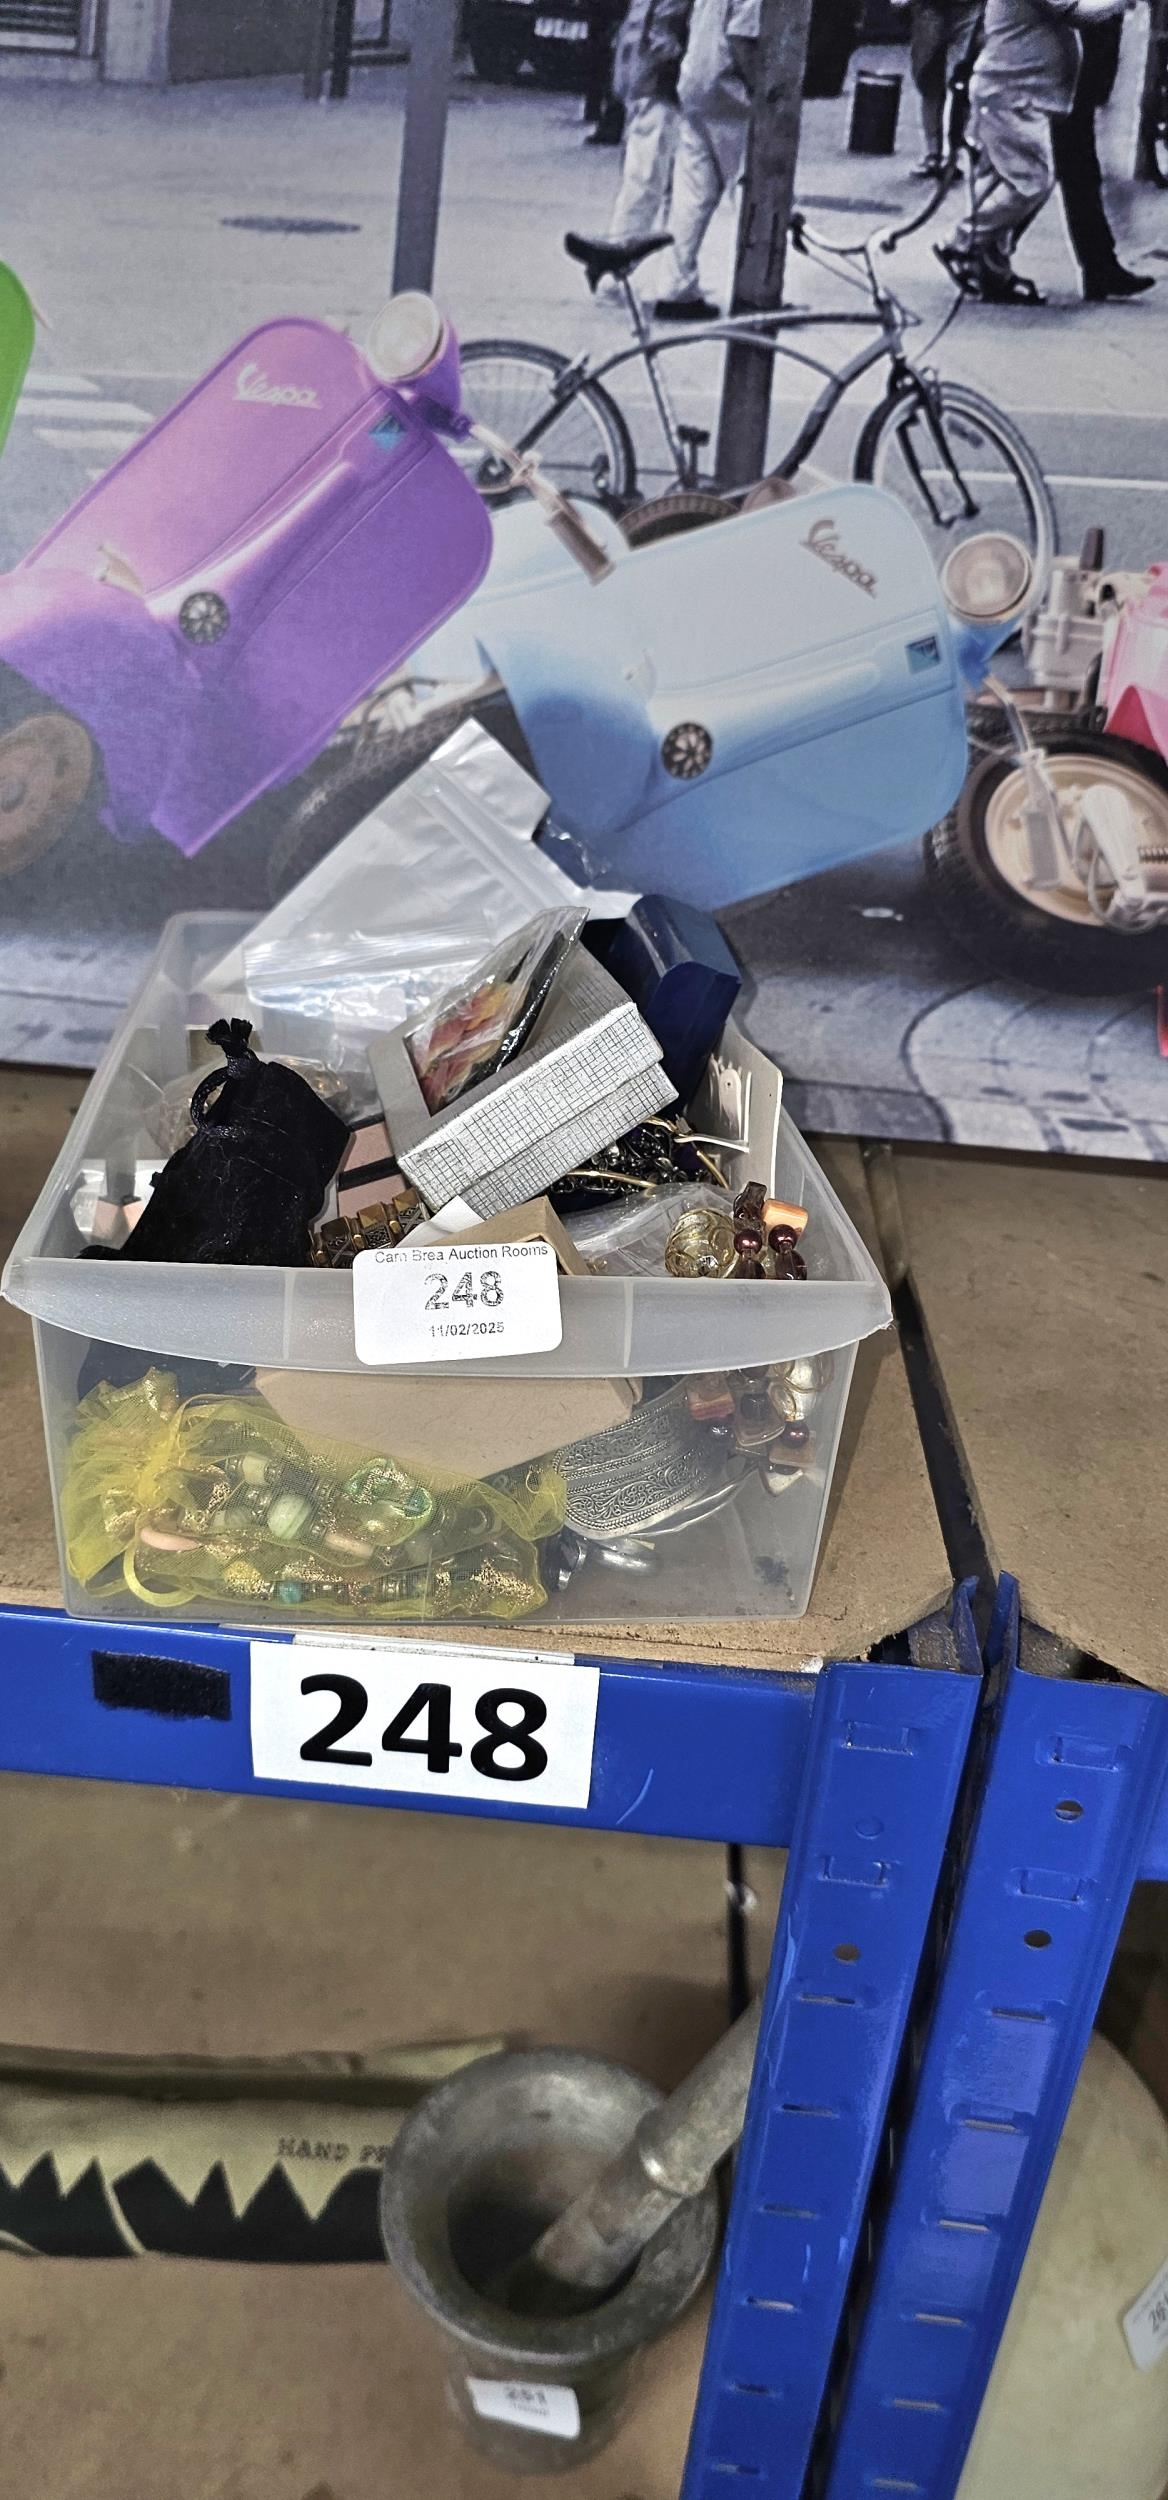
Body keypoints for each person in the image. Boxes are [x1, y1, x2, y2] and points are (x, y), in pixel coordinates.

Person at [937, 0, 1134, 304]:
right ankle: (961, 240)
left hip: (1013, 91)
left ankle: (993, 274)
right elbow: (1077, 14)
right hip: (1010, 93)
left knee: (1000, 184)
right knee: (1030, 183)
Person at [653, 0, 760, 320]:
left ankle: (675, 286)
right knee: (752, 188)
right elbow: (742, 37)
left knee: (691, 194)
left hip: (695, 82)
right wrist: (763, 90)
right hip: (730, 93)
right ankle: (757, 289)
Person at [1052, 17, 1155, 297]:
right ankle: (973, 242)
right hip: (1059, 69)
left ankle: (1099, 265)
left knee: (1074, 168)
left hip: (1073, 70)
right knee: (1061, 169)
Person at [605, 0, 695, 256]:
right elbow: (662, 33)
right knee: (648, 177)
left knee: (645, 175)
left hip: (639, 78)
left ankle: (625, 250)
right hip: (658, 84)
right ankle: (621, 253)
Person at [909, 0, 983, 178]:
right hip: (931, 7)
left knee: (960, 77)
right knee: (929, 76)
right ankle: (937, 153)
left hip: (966, 7)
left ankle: (948, 153)